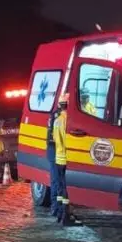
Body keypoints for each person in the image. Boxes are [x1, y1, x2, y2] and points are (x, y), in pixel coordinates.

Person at [52, 93, 82, 226]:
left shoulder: (57, 120)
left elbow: (54, 138)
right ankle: (66, 217)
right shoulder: (68, 121)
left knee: (60, 187)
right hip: (67, 158)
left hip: (58, 158)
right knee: (66, 190)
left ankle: (59, 213)